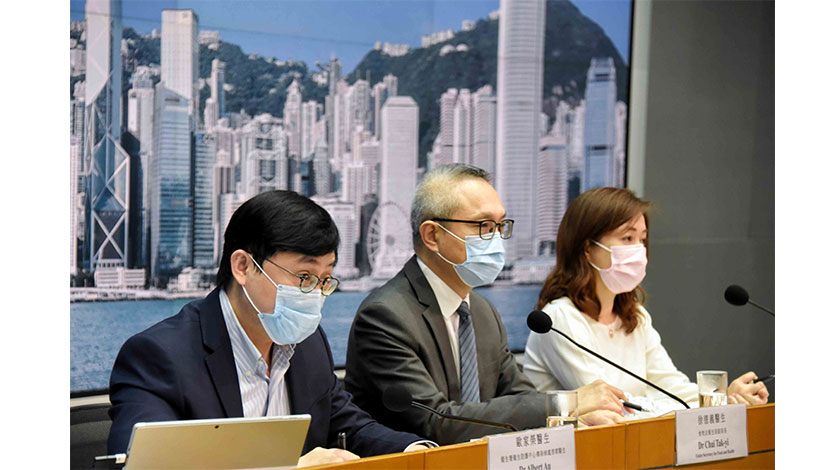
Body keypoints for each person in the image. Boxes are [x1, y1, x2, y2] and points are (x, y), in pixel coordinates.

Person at [108, 190, 433, 467]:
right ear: (243, 266)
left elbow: (348, 424)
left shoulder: (308, 342)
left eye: (324, 280)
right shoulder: (159, 356)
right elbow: (143, 465)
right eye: (304, 277)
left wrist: (416, 452)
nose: (315, 295)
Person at [344, 164, 627, 445]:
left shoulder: (482, 311)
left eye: (500, 226)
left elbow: (520, 397)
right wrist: (565, 403)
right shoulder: (385, 315)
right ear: (432, 235)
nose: (496, 239)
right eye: (483, 226)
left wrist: (573, 421)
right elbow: (438, 423)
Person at [522, 187, 769, 409]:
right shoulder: (559, 319)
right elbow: (614, 405)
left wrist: (723, 398)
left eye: (642, 239)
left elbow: (673, 387)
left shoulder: (634, 316)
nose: (639, 250)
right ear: (588, 249)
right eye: (627, 238)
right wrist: (668, 405)